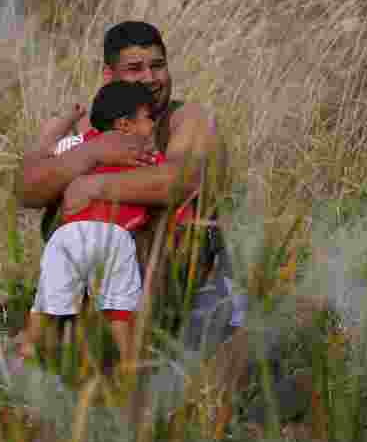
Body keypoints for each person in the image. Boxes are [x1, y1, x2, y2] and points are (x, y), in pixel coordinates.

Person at [18, 21, 244, 352]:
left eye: (158, 65)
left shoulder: (188, 119)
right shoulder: (90, 127)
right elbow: (28, 190)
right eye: (135, 68)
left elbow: (178, 182)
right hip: (100, 292)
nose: (151, 78)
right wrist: (93, 151)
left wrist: (93, 186)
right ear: (109, 76)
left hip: (188, 294)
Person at [18, 81, 170, 374]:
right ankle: (128, 361)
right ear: (125, 124)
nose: (153, 125)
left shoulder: (83, 145)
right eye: (149, 118)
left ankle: (28, 346)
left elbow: (48, 155)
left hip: (68, 233)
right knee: (120, 307)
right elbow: (168, 181)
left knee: (47, 298)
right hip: (115, 235)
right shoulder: (145, 153)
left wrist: (63, 124)